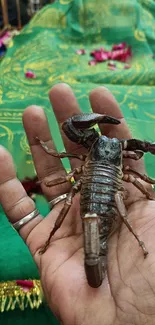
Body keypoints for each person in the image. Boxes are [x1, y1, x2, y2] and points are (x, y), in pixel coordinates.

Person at [0, 83, 155, 325]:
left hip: (96, 193)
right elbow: (138, 166)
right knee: (84, 199)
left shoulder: (90, 151)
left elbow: (62, 154)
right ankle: (130, 239)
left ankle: (123, 238)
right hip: (104, 192)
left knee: (72, 197)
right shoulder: (122, 159)